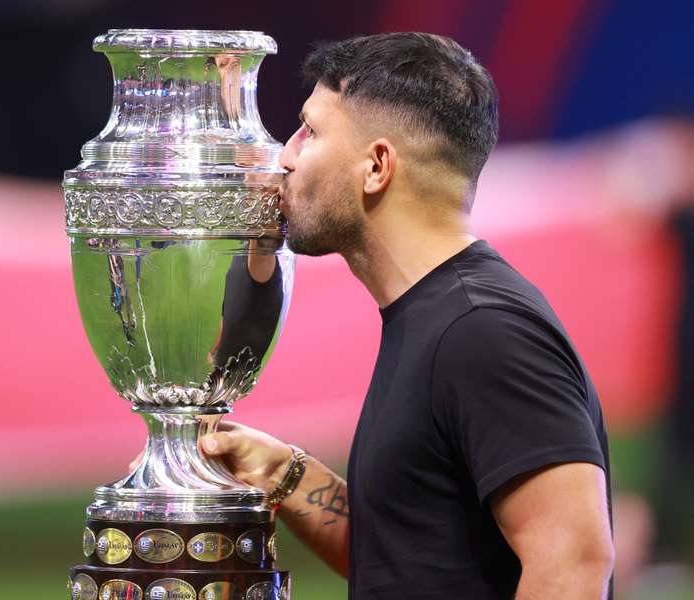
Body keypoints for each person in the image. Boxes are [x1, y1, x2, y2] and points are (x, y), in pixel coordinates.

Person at [198, 33, 615, 598]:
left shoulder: (484, 331)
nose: (286, 156)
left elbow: (574, 566)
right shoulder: (436, 318)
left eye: (311, 132)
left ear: (376, 166)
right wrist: (283, 473)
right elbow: (408, 559)